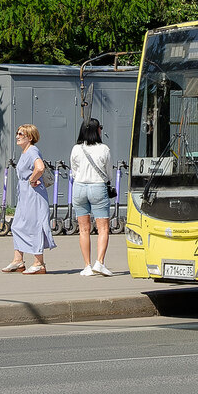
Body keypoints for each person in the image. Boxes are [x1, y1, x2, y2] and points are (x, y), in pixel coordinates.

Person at [2, 124, 55, 273]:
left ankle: (39, 263)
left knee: (34, 225)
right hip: (25, 195)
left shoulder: (32, 151)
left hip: (34, 195)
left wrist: (32, 180)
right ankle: (18, 260)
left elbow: (40, 167)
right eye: (17, 133)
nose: (17, 136)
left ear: (30, 137)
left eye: (21, 134)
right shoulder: (25, 152)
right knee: (17, 225)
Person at [70, 118, 114, 276]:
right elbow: (109, 171)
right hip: (97, 187)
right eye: (100, 128)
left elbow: (73, 170)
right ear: (96, 131)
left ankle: (87, 266)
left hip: (79, 187)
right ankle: (100, 263)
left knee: (83, 229)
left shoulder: (76, 148)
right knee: (103, 228)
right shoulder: (104, 149)